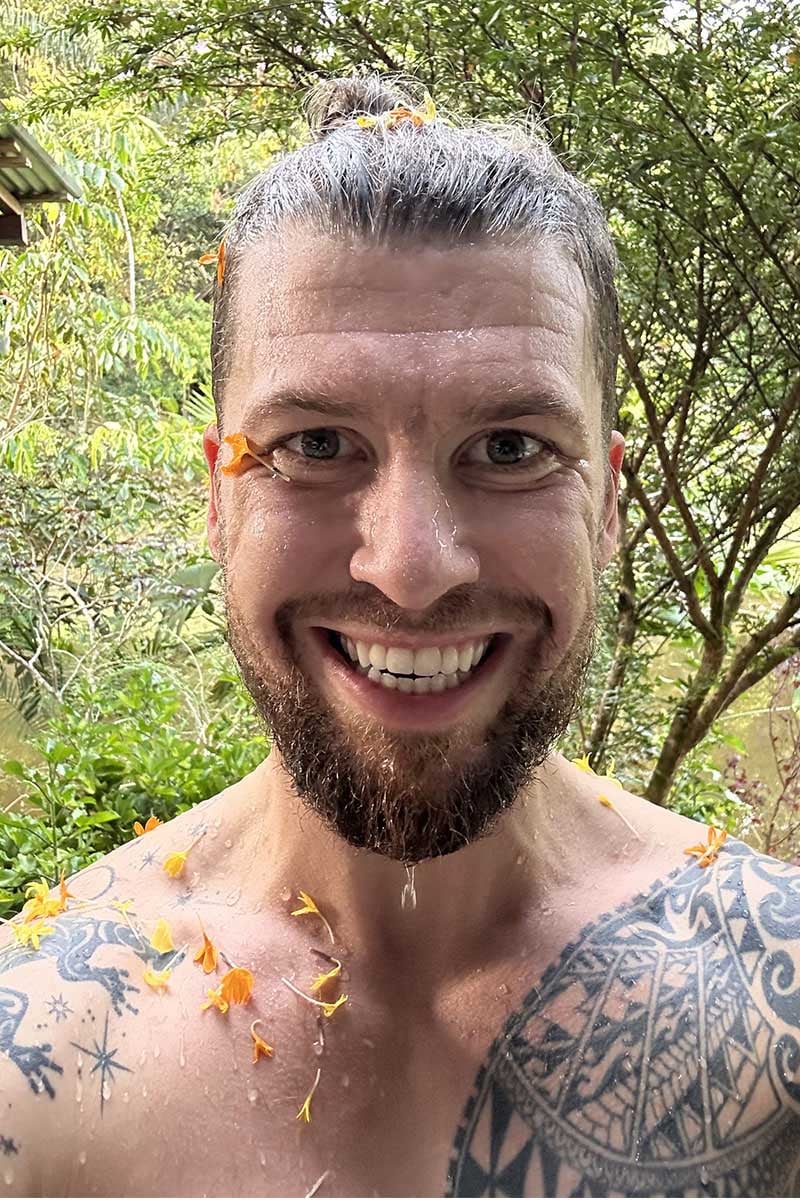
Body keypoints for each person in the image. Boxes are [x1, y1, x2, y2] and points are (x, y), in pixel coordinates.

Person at [2, 73, 800, 1199]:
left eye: (512, 448)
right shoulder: (39, 1061)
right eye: (316, 445)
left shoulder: (777, 1026)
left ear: (609, 503)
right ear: (219, 500)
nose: (412, 569)